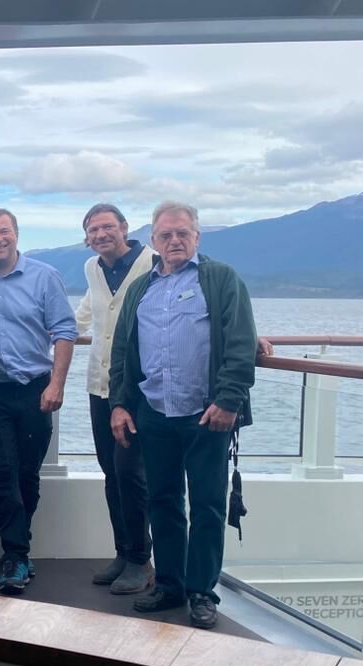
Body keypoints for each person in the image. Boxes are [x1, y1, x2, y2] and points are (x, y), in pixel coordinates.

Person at [109, 201, 258, 630]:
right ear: (153, 240)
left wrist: (229, 400)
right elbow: (123, 351)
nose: (174, 241)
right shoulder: (141, 288)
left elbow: (240, 341)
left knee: (208, 505)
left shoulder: (220, 279)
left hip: (206, 414)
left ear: (196, 236)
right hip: (154, 412)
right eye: (165, 235)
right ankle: (170, 585)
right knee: (163, 501)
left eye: (182, 233)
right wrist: (119, 403)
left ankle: (202, 592)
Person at [0, 207, 76, 596]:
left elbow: (64, 330)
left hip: (36, 389)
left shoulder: (44, 276)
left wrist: (57, 384)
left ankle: (19, 550)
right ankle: (15, 555)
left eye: (3, 231)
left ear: (16, 234)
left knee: (27, 475)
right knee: (3, 474)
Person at [74, 203, 156, 595]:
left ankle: (141, 559)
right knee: (111, 472)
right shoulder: (92, 268)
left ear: (124, 227)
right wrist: (46, 335)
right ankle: (123, 552)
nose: (101, 234)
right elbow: (84, 314)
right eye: (93, 230)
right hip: (99, 385)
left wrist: (252, 335)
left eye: (107, 226)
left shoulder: (152, 262)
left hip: (137, 388)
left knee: (132, 474)